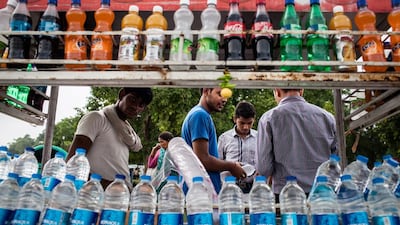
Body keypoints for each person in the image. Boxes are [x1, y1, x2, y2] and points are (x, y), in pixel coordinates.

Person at [256, 89, 338, 199]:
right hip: (323, 194)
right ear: (301, 90)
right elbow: (336, 160)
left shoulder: (269, 118)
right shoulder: (327, 117)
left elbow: (263, 168)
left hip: (287, 195)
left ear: (277, 91)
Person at [67, 87, 153, 190]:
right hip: (94, 198)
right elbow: (71, 165)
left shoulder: (126, 132)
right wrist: (110, 186)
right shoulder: (96, 118)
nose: (135, 107)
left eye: (141, 105)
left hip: (119, 198)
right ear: (121, 94)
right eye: (132, 100)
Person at [181, 87, 246, 193]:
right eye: (220, 94)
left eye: (226, 96)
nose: (224, 100)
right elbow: (202, 159)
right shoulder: (199, 115)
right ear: (206, 91)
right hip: (201, 193)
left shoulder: (201, 115)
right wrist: (232, 166)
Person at [218, 101, 257, 193]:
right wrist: (232, 167)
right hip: (229, 188)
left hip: (253, 188)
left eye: (249, 123)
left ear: (254, 120)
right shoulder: (224, 138)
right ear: (235, 119)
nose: (246, 127)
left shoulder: (259, 138)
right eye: (242, 123)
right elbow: (218, 163)